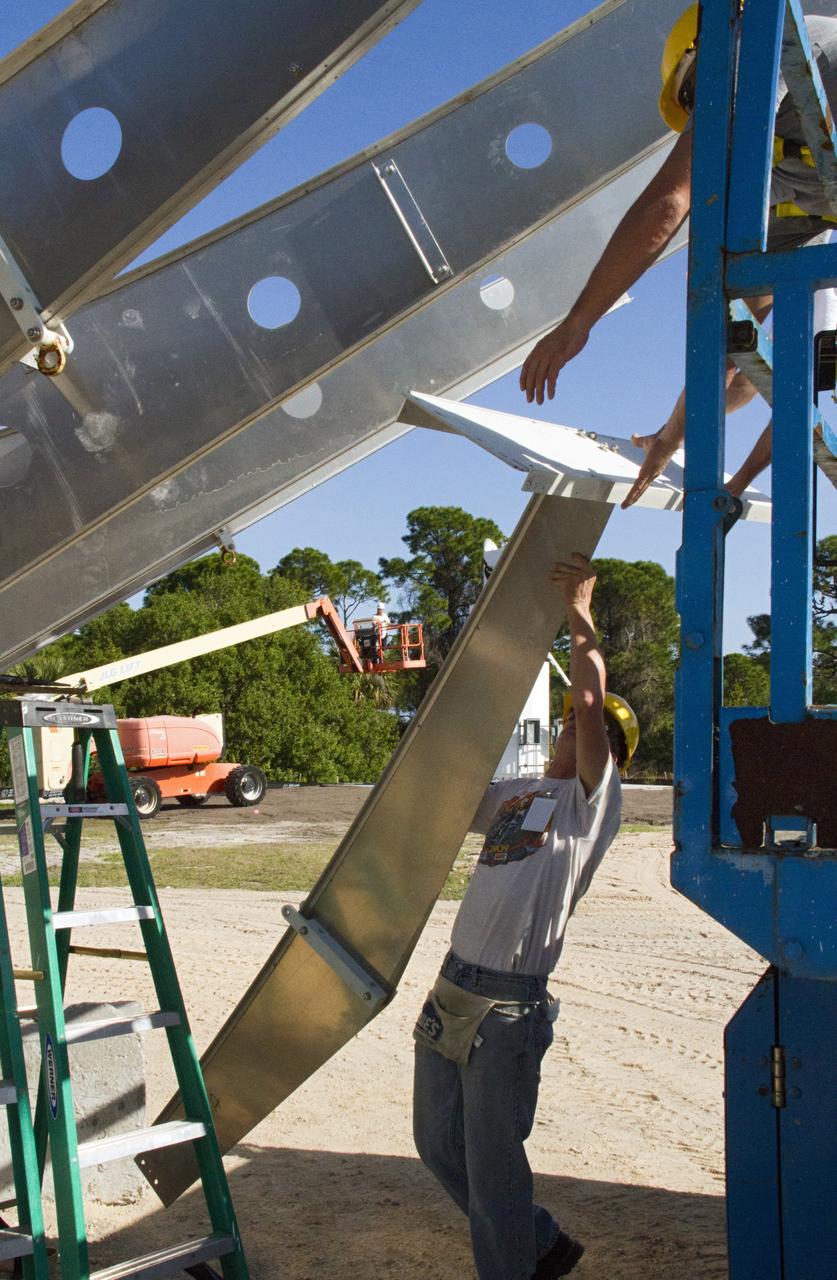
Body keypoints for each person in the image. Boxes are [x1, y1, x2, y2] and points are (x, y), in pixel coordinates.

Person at [413, 553, 639, 1280]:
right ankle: (540, 1242)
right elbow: (443, 786)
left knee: (495, 1169)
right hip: (453, 986)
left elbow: (587, 700)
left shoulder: (589, 804)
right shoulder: (517, 791)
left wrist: (578, 615)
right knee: (435, 1143)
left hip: (508, 1007)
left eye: (590, 728)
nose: (575, 729)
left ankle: (514, 1264)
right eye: (575, 724)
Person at [519, 6, 837, 506]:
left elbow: (671, 200)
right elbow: (738, 361)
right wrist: (673, 435)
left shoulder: (762, 43)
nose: (700, 116)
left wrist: (578, 322)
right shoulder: (792, 179)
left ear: (705, 52)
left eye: (693, 96)